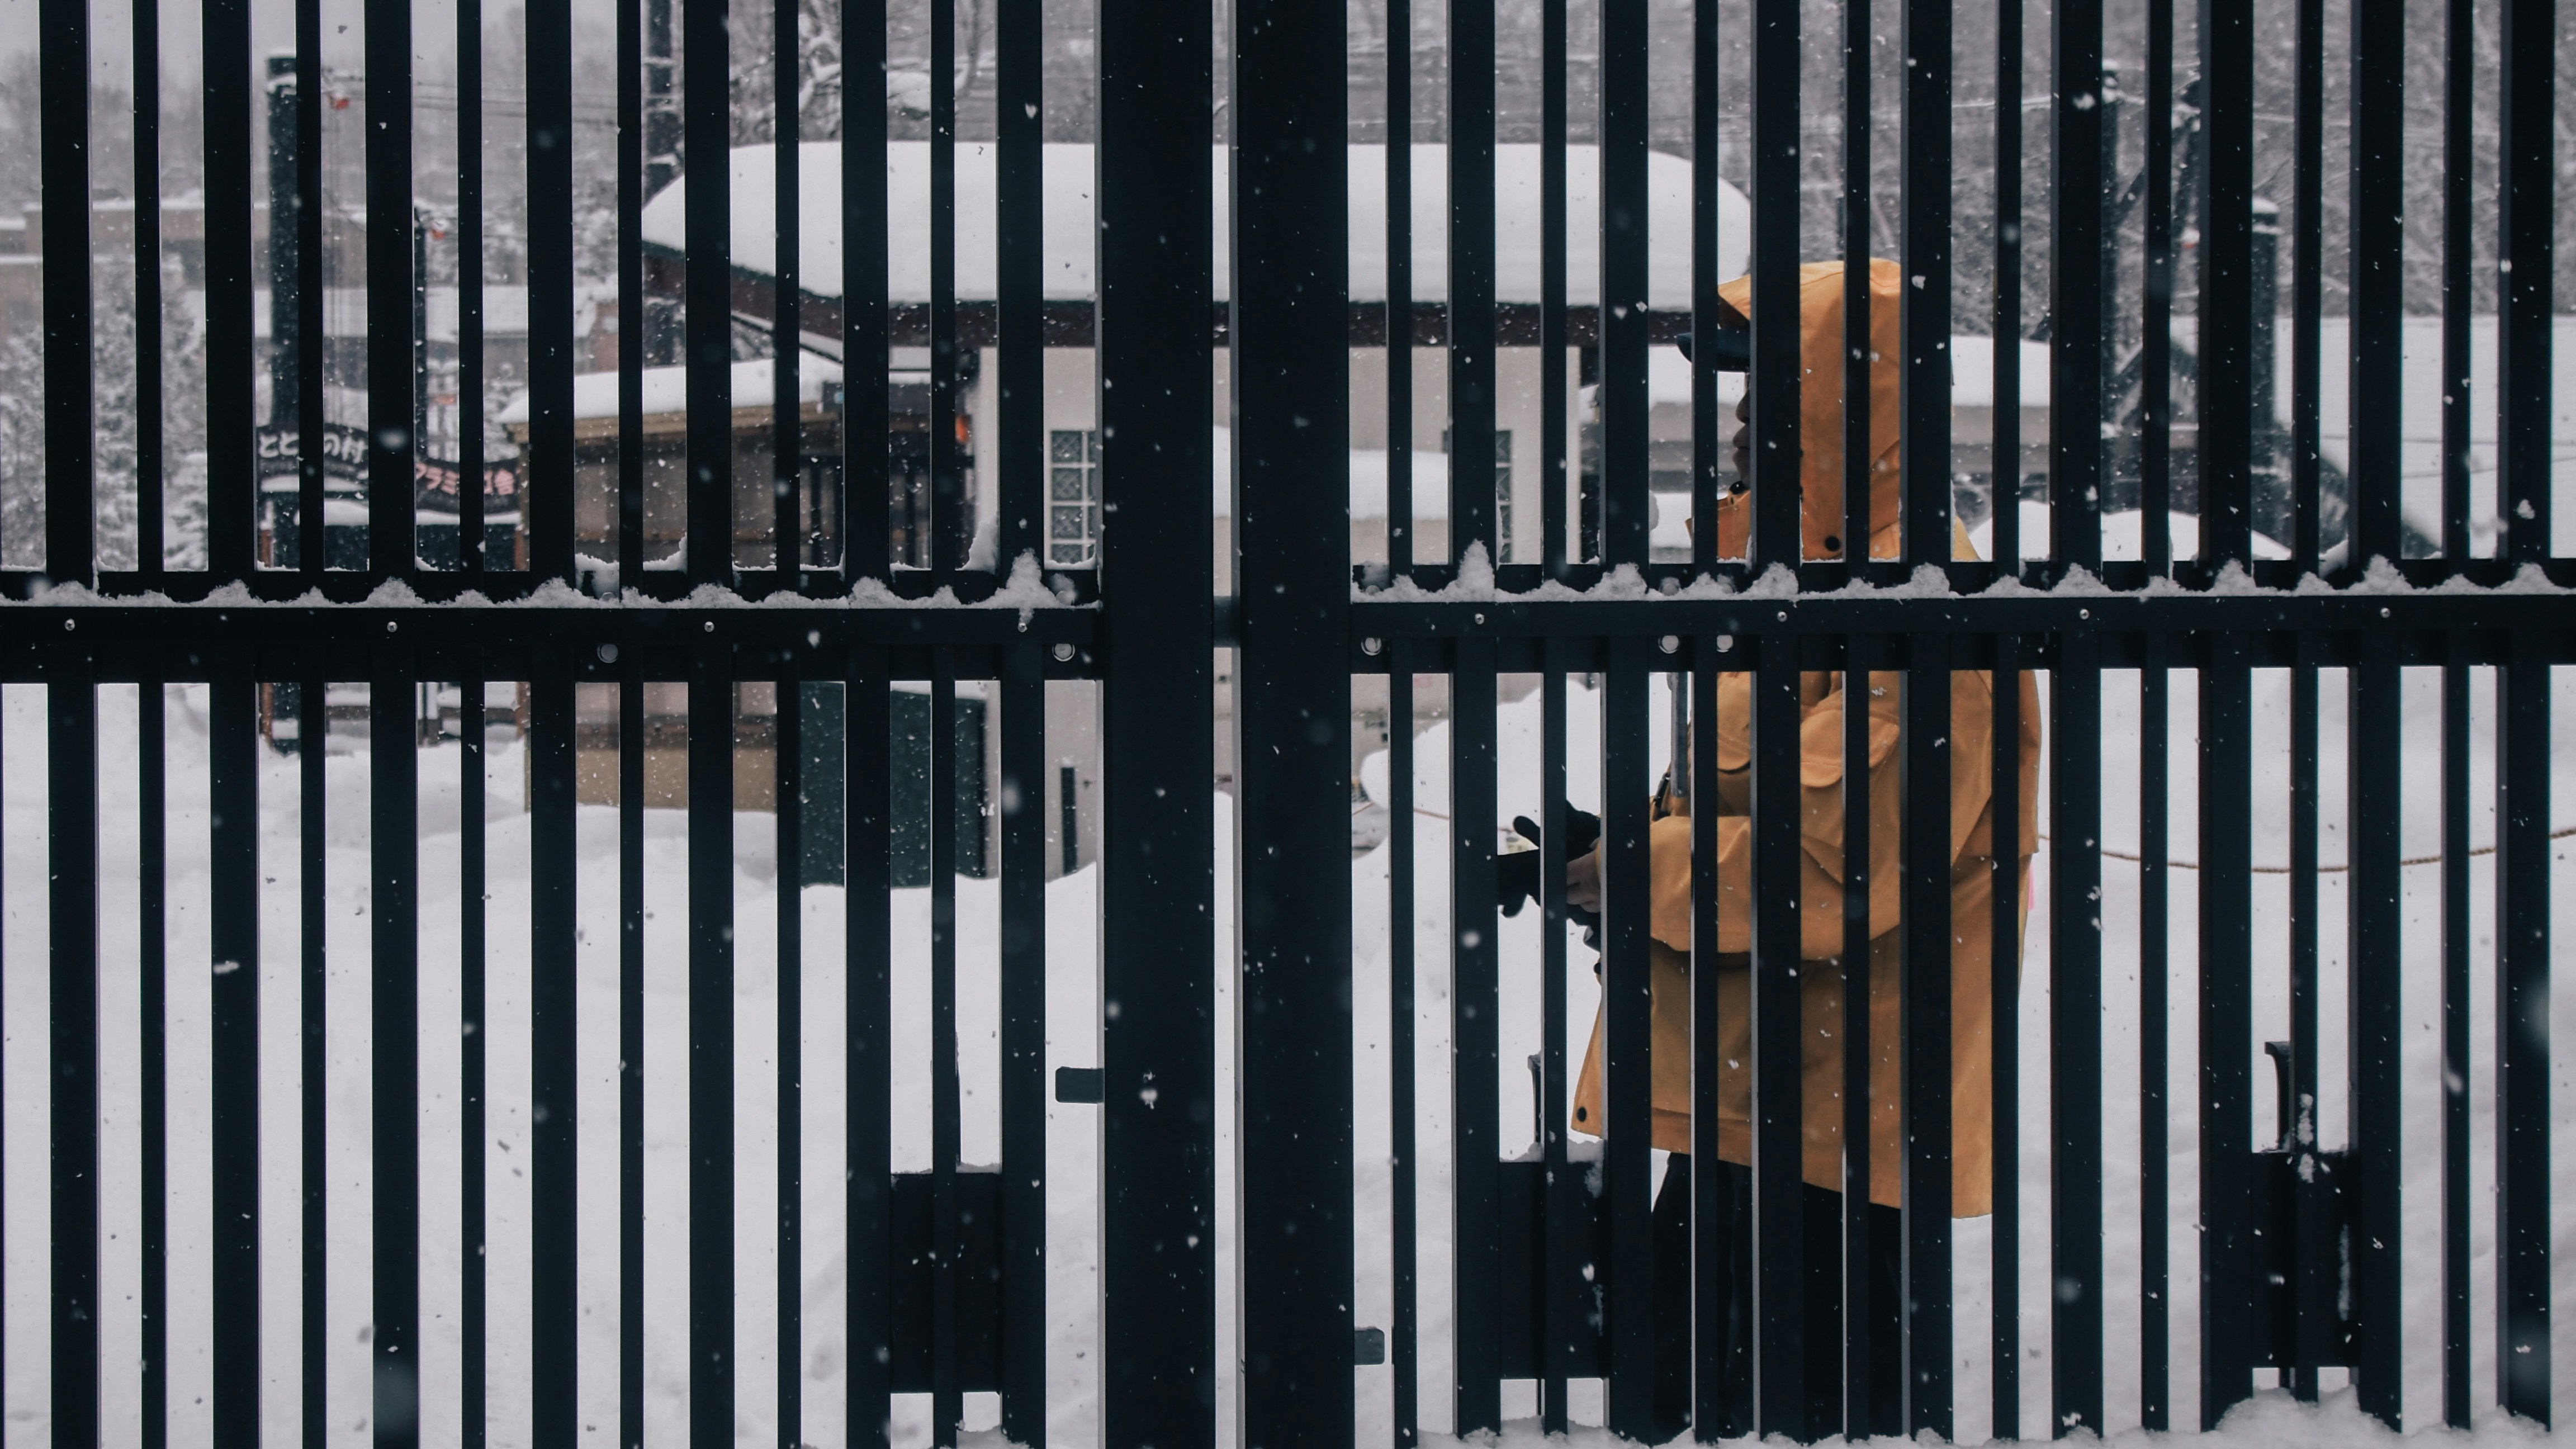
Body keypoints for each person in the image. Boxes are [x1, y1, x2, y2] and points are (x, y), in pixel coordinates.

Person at [1562, 258, 2043, 1439]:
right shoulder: (1806, 583)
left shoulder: (1920, 592)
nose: (1732, 427)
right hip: (1752, 1087)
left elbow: (1841, 863)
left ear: (1840, 410)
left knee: (1803, 1410)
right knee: (1698, 1405)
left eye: (1760, 401)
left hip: (1835, 1120)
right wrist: (1620, 855)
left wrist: (1635, 871)